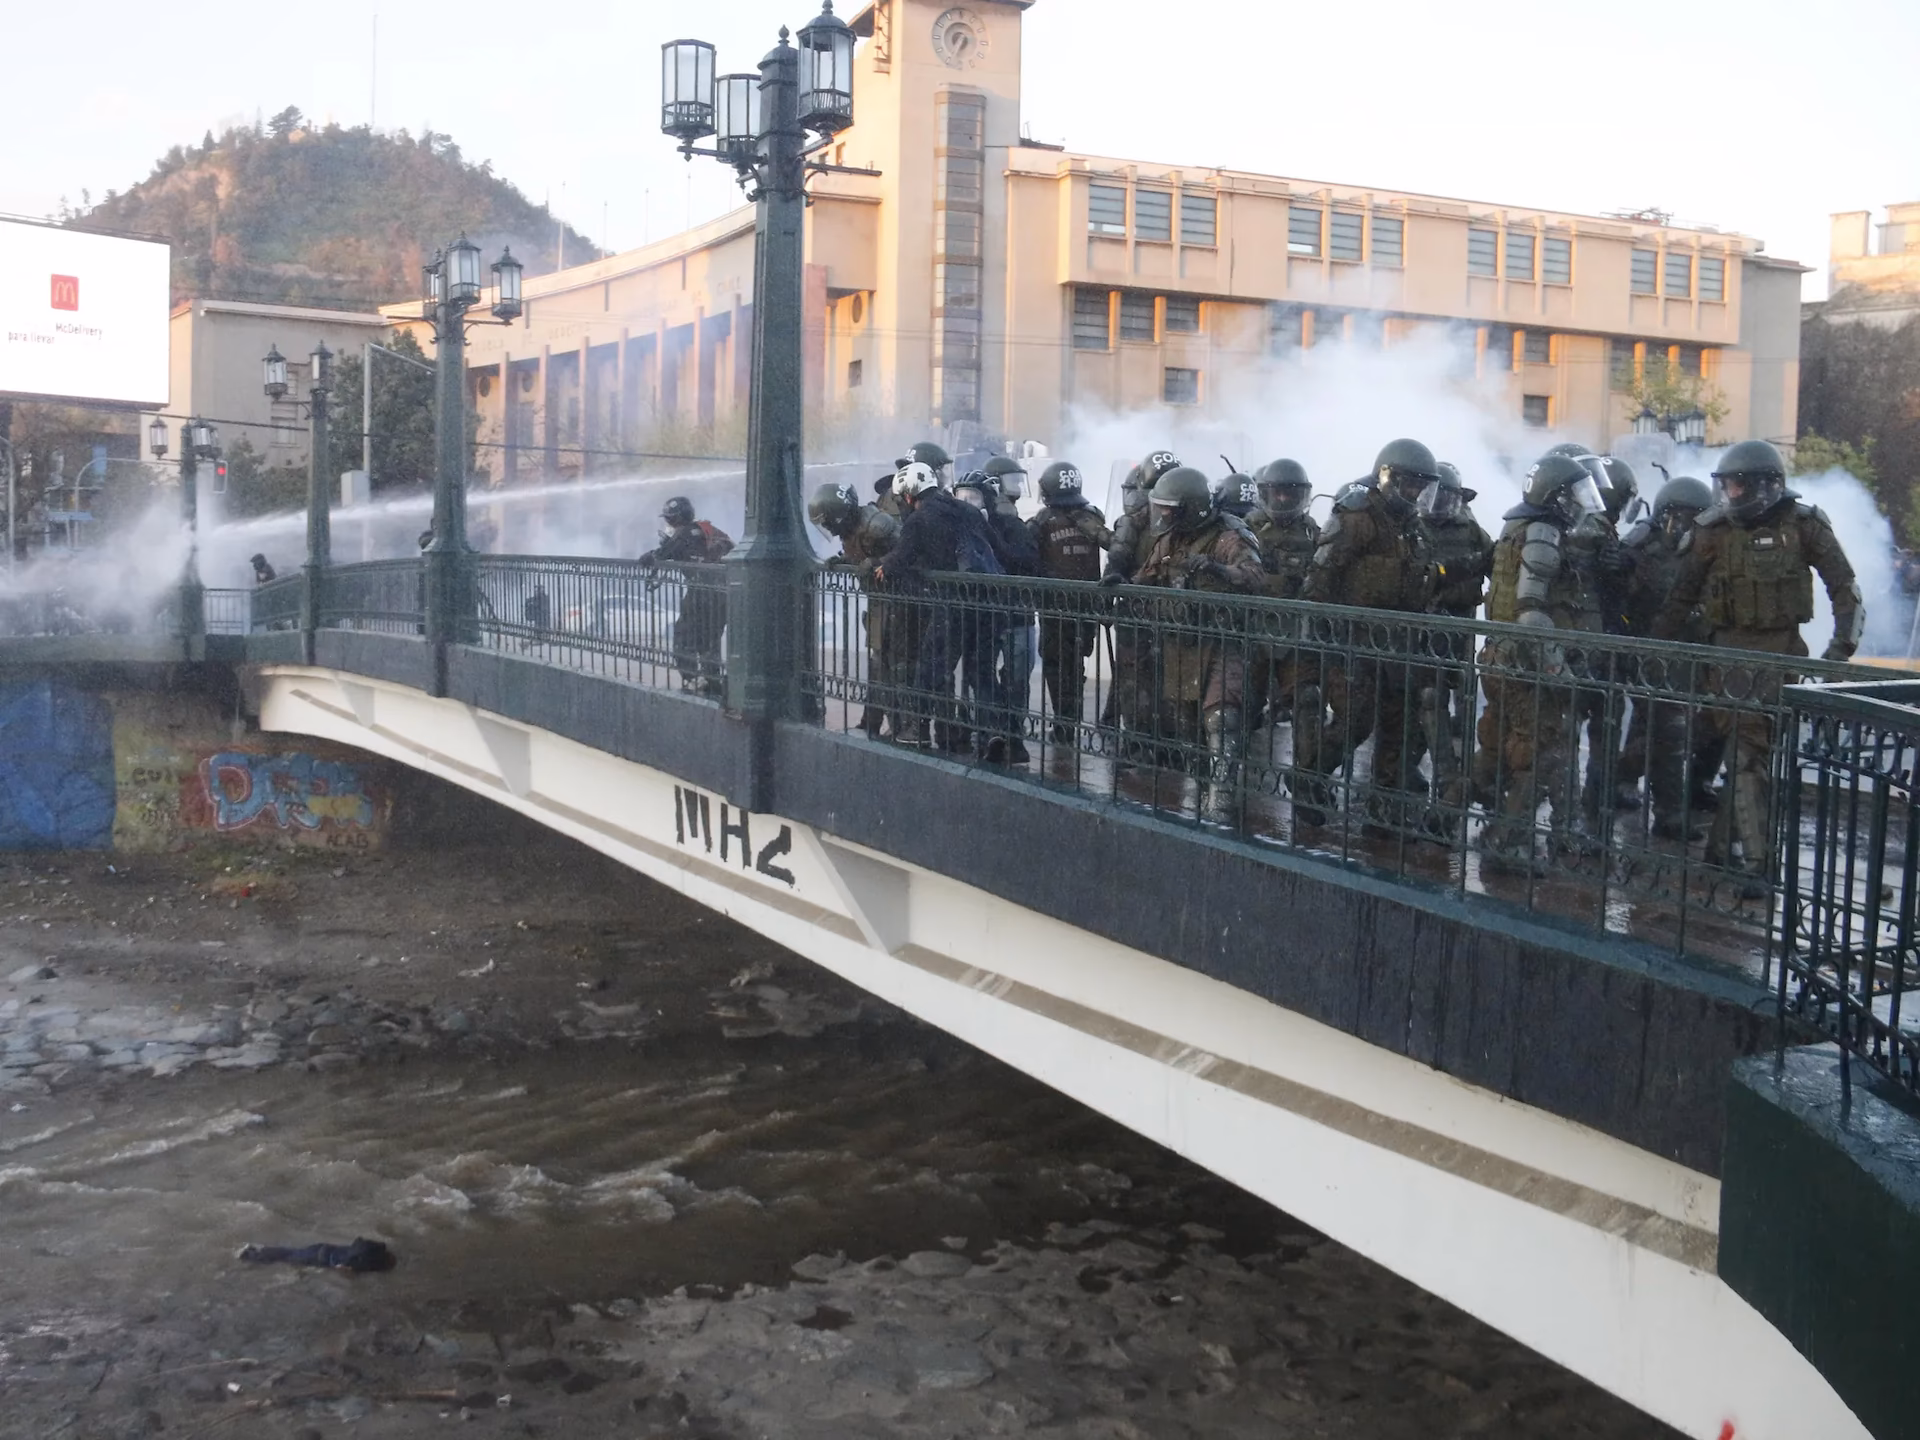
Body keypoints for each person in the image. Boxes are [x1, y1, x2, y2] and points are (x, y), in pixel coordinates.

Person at [1655, 440, 1863, 892]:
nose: (1728, 494)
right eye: (1725, 486)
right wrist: (1655, 650)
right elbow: (1680, 598)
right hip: (1726, 660)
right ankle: (1743, 858)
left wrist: (1839, 651)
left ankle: (1736, 857)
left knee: (1750, 757)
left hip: (1780, 658)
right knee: (1746, 758)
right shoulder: (1712, 531)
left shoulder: (1804, 525)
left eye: (1735, 486)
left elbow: (1845, 589)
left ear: (1765, 487)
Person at [1291, 439, 1437, 833]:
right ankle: (1308, 778)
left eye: (1421, 487)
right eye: (1409, 484)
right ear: (1389, 477)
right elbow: (1320, 574)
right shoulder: (1357, 515)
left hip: (1397, 642)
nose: (1414, 493)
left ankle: (1384, 808)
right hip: (1352, 639)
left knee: (1398, 722)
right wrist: (1321, 629)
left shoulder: (1411, 525)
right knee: (1356, 720)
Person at [1472, 453, 1608, 875]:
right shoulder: (1543, 530)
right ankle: (1506, 839)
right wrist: (1557, 672)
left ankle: (1552, 830)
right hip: (1527, 662)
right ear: (1555, 495)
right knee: (1537, 753)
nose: (1580, 501)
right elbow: (1530, 609)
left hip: (1513, 657)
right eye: (1574, 494)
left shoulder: (1524, 526)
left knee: (1538, 747)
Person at [1131, 465, 1265, 825]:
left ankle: (1221, 801)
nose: (1163, 515)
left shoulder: (1229, 535)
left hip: (1223, 640)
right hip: (1182, 640)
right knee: (1186, 724)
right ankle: (1201, 788)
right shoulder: (1171, 538)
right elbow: (1149, 574)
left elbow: (1254, 575)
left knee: (1222, 717)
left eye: (1170, 509)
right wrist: (1124, 583)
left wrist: (1220, 571)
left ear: (1190, 508)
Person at [873, 462, 1010, 757]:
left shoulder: (919, 519)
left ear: (909, 494)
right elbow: (997, 548)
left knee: (932, 666)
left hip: (954, 602)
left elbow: (902, 558)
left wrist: (884, 566)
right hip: (989, 599)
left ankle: (916, 729)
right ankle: (996, 731)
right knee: (981, 671)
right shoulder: (967, 510)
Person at [1613, 475, 1721, 838]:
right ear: (1663, 516)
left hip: (1690, 654)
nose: (1684, 528)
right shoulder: (1642, 549)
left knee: (1659, 730)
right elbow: (1621, 596)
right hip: (1649, 652)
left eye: (1693, 519)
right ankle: (1669, 814)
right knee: (1669, 734)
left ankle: (1622, 779)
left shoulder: (1707, 551)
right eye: (1678, 518)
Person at [1411, 462, 1493, 827]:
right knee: (1429, 698)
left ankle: (1458, 777)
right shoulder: (1411, 527)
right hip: (1424, 625)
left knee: (1463, 698)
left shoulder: (1471, 529)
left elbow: (1496, 563)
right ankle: (1445, 775)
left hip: (1460, 624)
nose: (1437, 503)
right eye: (1431, 494)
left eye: (1444, 496)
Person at [955, 469, 1039, 762]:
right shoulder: (960, 531)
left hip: (1016, 616)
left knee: (1016, 680)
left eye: (973, 497)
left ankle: (1014, 737)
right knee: (981, 675)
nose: (967, 504)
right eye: (961, 497)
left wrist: (990, 536)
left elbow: (1026, 561)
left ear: (989, 499)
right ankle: (990, 732)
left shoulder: (1012, 526)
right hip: (982, 618)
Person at [810, 481, 902, 737]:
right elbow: (860, 553)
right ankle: (871, 723)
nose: (828, 528)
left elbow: (908, 554)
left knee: (889, 668)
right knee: (878, 667)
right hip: (881, 602)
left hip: (897, 604)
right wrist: (842, 561)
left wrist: (877, 562)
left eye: (828, 522)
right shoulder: (855, 526)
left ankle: (900, 727)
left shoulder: (877, 525)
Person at [1029, 460, 1113, 740]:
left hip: (1055, 606)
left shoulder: (1042, 521)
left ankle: (1064, 722)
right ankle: (1070, 717)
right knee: (1075, 661)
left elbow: (1030, 559)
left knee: (1056, 662)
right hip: (1085, 603)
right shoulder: (1092, 517)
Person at [639, 496, 734, 696]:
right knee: (709, 642)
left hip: (700, 592)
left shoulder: (683, 533)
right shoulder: (706, 530)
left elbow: (661, 555)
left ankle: (692, 679)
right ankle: (713, 683)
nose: (668, 524)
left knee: (682, 640)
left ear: (676, 519)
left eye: (669, 519)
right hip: (722, 594)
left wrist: (648, 557)